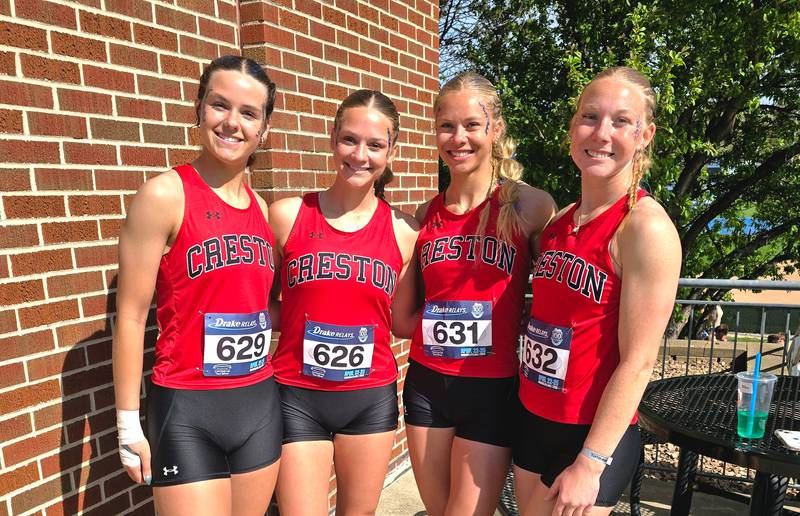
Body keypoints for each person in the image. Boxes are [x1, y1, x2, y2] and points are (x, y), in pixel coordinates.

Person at [112, 55, 282, 516]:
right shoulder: (164, 195)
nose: (231, 123)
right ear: (198, 109)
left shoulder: (263, 211)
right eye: (219, 105)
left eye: (248, 113)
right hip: (188, 409)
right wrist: (127, 423)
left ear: (264, 128)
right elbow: (129, 316)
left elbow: (263, 306)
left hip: (257, 405)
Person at [514, 66, 681, 516]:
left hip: (589, 436)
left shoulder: (645, 229)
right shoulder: (561, 221)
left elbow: (640, 359)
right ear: (572, 130)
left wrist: (590, 462)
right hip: (534, 416)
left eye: (621, 121)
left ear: (644, 135)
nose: (602, 133)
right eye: (590, 117)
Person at [395, 72, 556, 516]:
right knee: (437, 509)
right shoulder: (425, 214)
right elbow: (403, 317)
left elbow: (558, 292)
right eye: (447, 126)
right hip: (427, 385)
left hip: (492, 390)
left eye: (471, 124)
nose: (458, 138)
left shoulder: (528, 207)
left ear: (496, 129)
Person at [268, 90, 418, 515]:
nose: (360, 154)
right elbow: (261, 307)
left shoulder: (406, 231)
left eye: (374, 144)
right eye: (349, 139)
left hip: (368, 397)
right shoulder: (286, 215)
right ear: (332, 137)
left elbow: (401, 320)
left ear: (392, 150)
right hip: (297, 394)